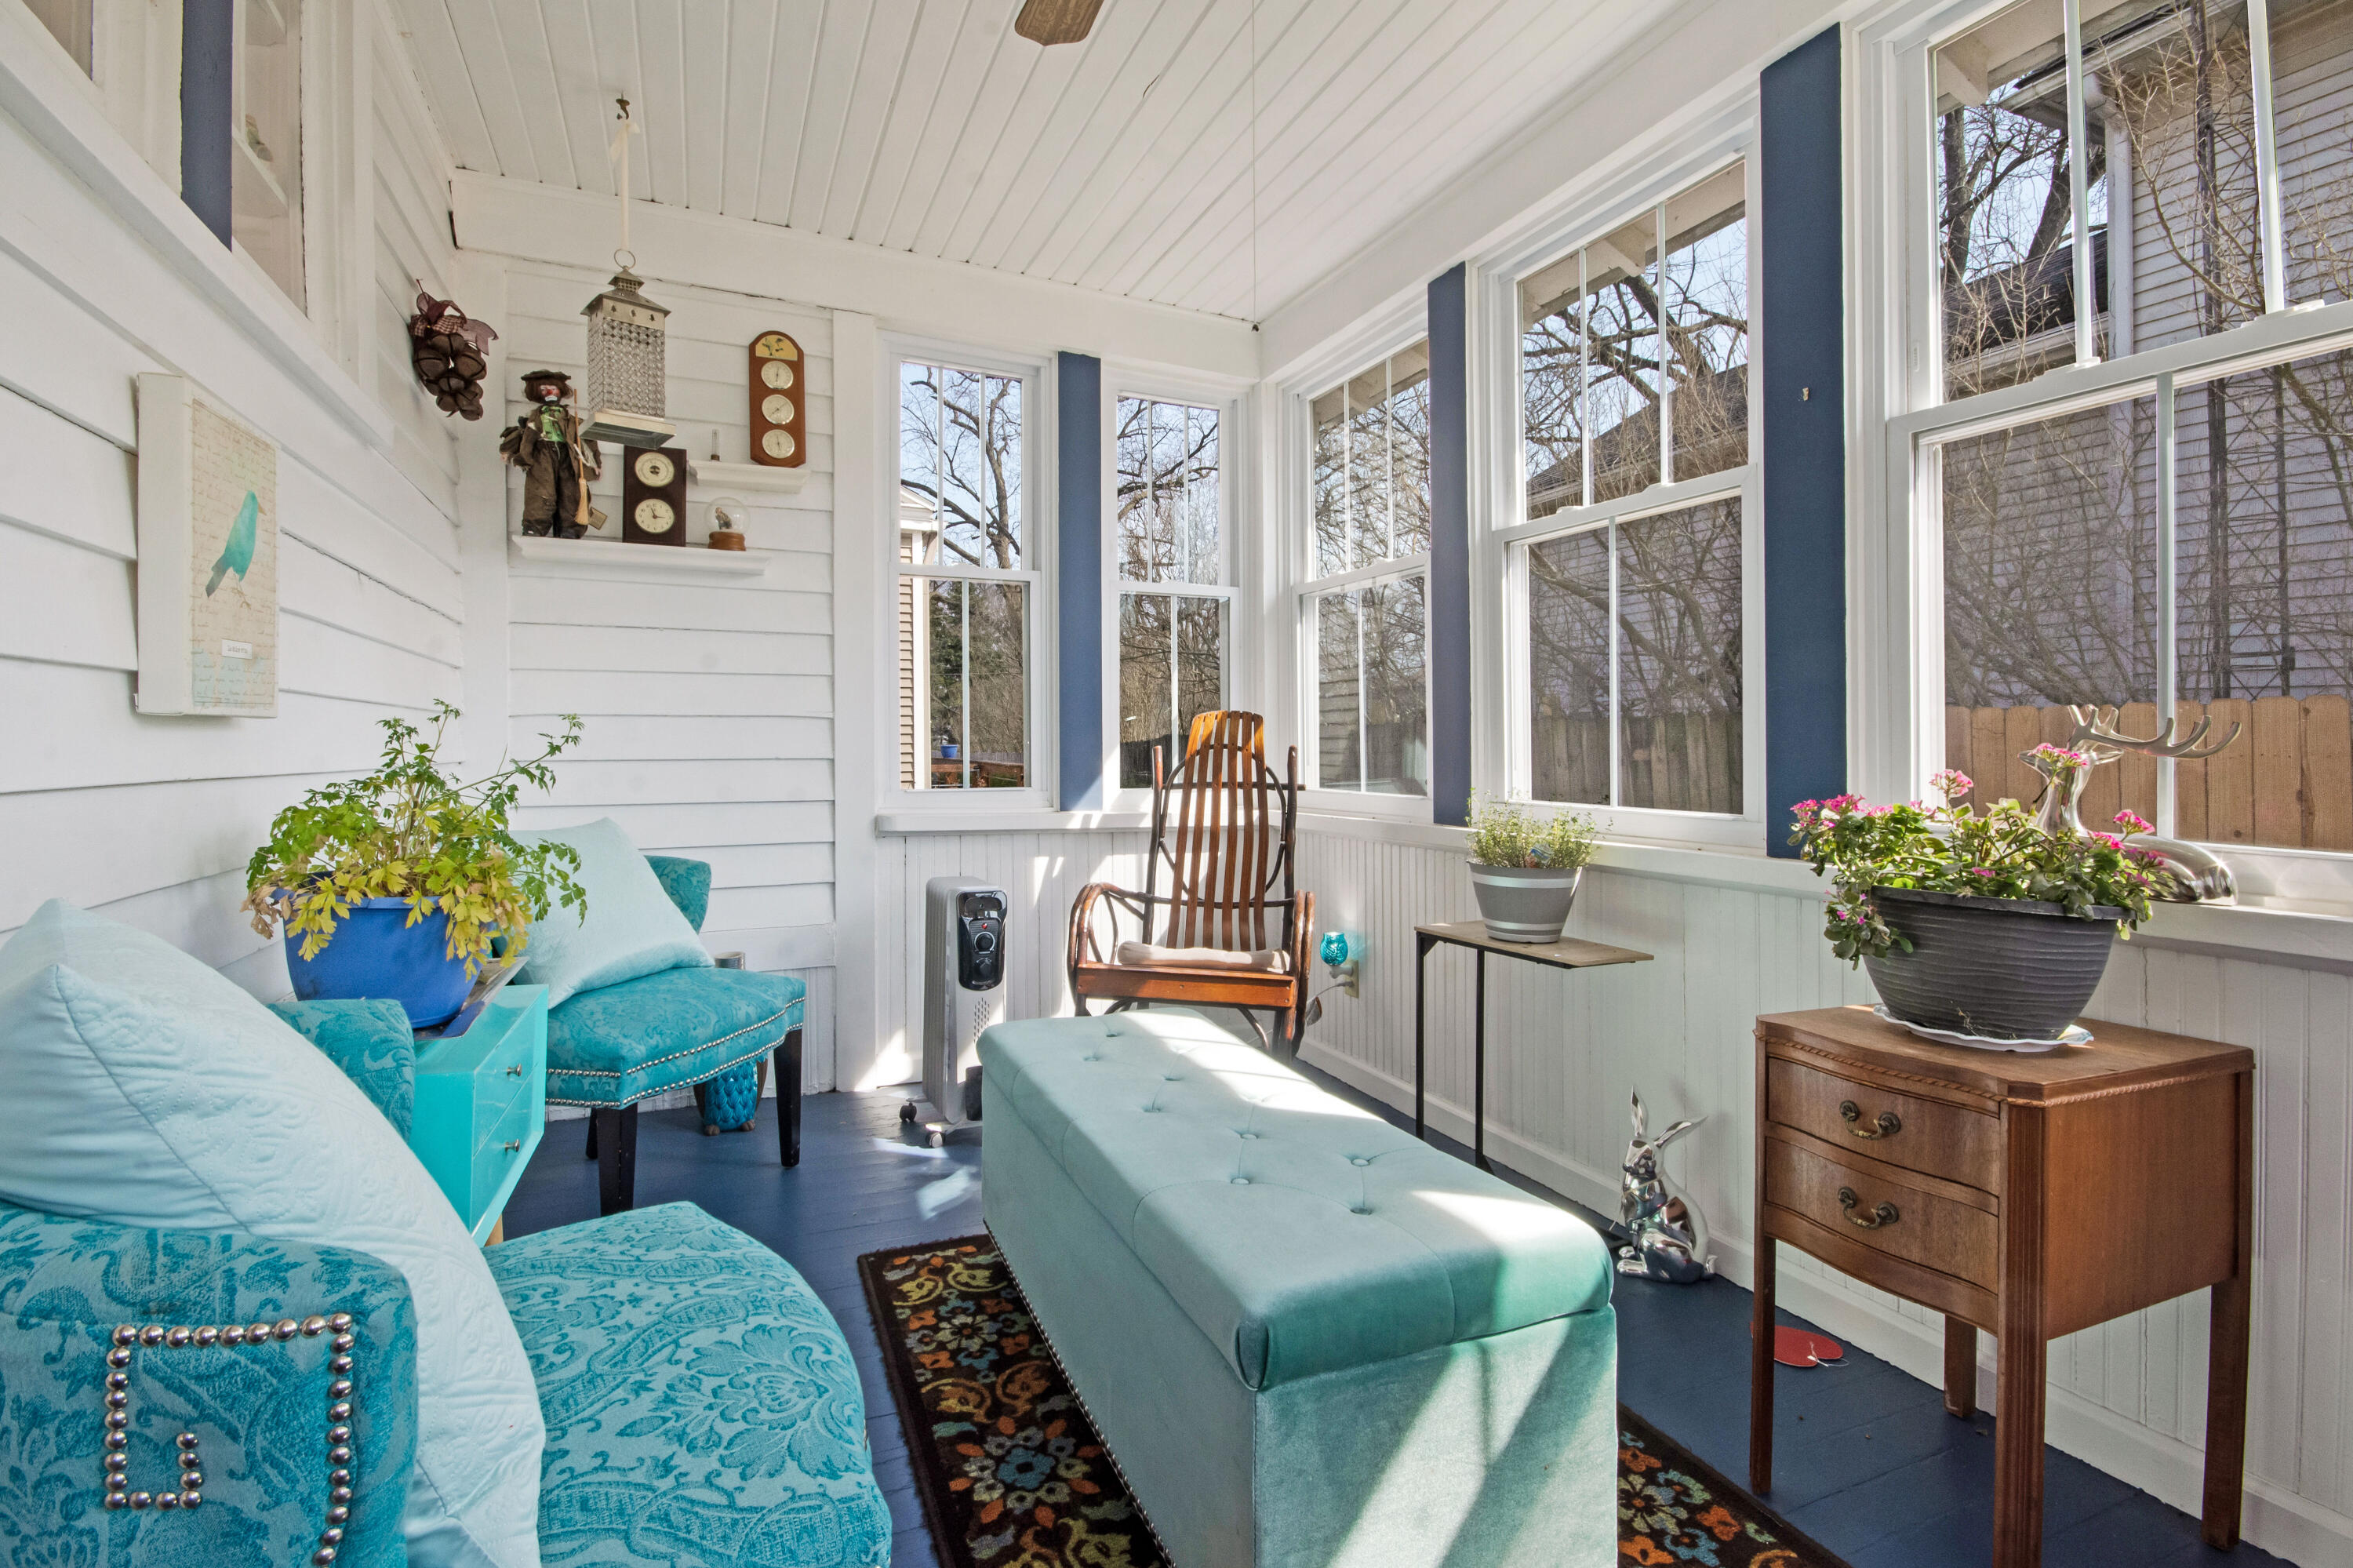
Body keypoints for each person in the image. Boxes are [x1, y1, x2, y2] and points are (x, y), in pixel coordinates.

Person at [499, 369, 605, 537]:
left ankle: (571, 528)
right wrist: (508, 450)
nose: (549, 392)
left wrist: (594, 464)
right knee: (541, 489)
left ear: (561, 391)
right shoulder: (534, 418)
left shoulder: (572, 421)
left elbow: (587, 443)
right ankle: (535, 526)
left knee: (571, 490)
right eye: (543, 389)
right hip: (543, 453)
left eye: (553, 389)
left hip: (568, 454)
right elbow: (523, 435)